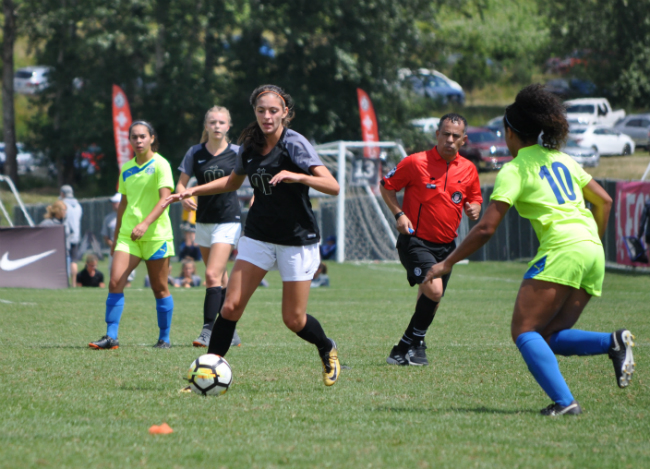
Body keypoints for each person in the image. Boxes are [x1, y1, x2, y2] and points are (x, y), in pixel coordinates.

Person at [425, 84, 635, 416]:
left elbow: (486, 227)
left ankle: (566, 403)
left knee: (523, 331)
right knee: (549, 334)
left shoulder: (515, 169)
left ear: (510, 132)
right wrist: (591, 242)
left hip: (563, 250)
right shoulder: (563, 159)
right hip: (593, 251)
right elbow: (604, 201)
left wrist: (447, 263)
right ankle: (612, 343)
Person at [166, 84, 341, 386]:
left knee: (294, 319)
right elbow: (232, 183)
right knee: (230, 306)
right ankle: (205, 375)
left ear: (285, 112)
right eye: (261, 111)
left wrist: (297, 176)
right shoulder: (249, 145)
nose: (267, 116)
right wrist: (194, 188)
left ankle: (326, 347)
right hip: (258, 236)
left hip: (296, 239)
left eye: (273, 110)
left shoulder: (294, 143)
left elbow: (332, 185)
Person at [380, 113, 483, 366]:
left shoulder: (469, 168)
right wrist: (399, 213)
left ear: (463, 140)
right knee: (434, 291)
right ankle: (414, 344)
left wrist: (476, 208)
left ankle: (404, 348)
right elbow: (386, 186)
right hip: (415, 241)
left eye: (455, 136)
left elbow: (475, 198)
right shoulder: (416, 162)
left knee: (430, 300)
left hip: (448, 246)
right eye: (445, 134)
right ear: (437, 135)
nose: (449, 139)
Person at [89, 120, 176, 350]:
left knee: (159, 288)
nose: (138, 141)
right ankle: (111, 336)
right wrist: (117, 236)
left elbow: (165, 200)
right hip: (129, 236)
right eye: (134, 137)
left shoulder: (161, 165)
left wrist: (146, 224)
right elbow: (123, 205)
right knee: (116, 281)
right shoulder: (126, 169)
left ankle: (164, 338)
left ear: (152, 138)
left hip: (156, 235)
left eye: (142, 136)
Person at [176, 105, 243, 348]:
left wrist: (257, 196)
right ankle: (230, 329)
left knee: (212, 275)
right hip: (202, 222)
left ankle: (208, 330)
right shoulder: (195, 152)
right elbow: (180, 185)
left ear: (228, 126)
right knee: (221, 277)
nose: (217, 126)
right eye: (212, 122)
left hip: (228, 220)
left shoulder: (238, 152)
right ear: (206, 126)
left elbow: (256, 177)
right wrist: (184, 195)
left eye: (221, 122)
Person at [101, 193, 135, 287]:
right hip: (114, 250)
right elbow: (105, 236)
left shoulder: (131, 215)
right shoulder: (108, 218)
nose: (113, 204)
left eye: (115, 202)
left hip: (129, 249)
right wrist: (113, 246)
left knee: (128, 276)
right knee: (114, 276)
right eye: (112, 203)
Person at [40, 201, 73, 283]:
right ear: (57, 211)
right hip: (53, 255)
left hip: (65, 253)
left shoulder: (66, 222)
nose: (65, 212)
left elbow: (71, 232)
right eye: (63, 210)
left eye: (66, 210)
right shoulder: (48, 223)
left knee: (66, 277)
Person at [59, 185, 82, 286]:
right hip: (76, 235)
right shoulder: (78, 205)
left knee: (66, 258)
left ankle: (65, 281)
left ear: (62, 193)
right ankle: (73, 283)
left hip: (66, 235)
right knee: (74, 260)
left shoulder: (63, 204)